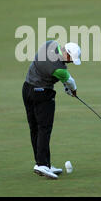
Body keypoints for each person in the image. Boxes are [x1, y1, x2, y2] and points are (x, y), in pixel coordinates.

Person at [22, 40, 81, 179]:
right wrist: (73, 90)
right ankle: (42, 164)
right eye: (71, 59)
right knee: (44, 128)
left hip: (27, 89)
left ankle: (43, 164)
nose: (71, 62)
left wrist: (65, 85)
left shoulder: (50, 44)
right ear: (66, 53)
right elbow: (70, 81)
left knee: (35, 128)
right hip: (42, 94)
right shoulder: (60, 69)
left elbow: (49, 69)